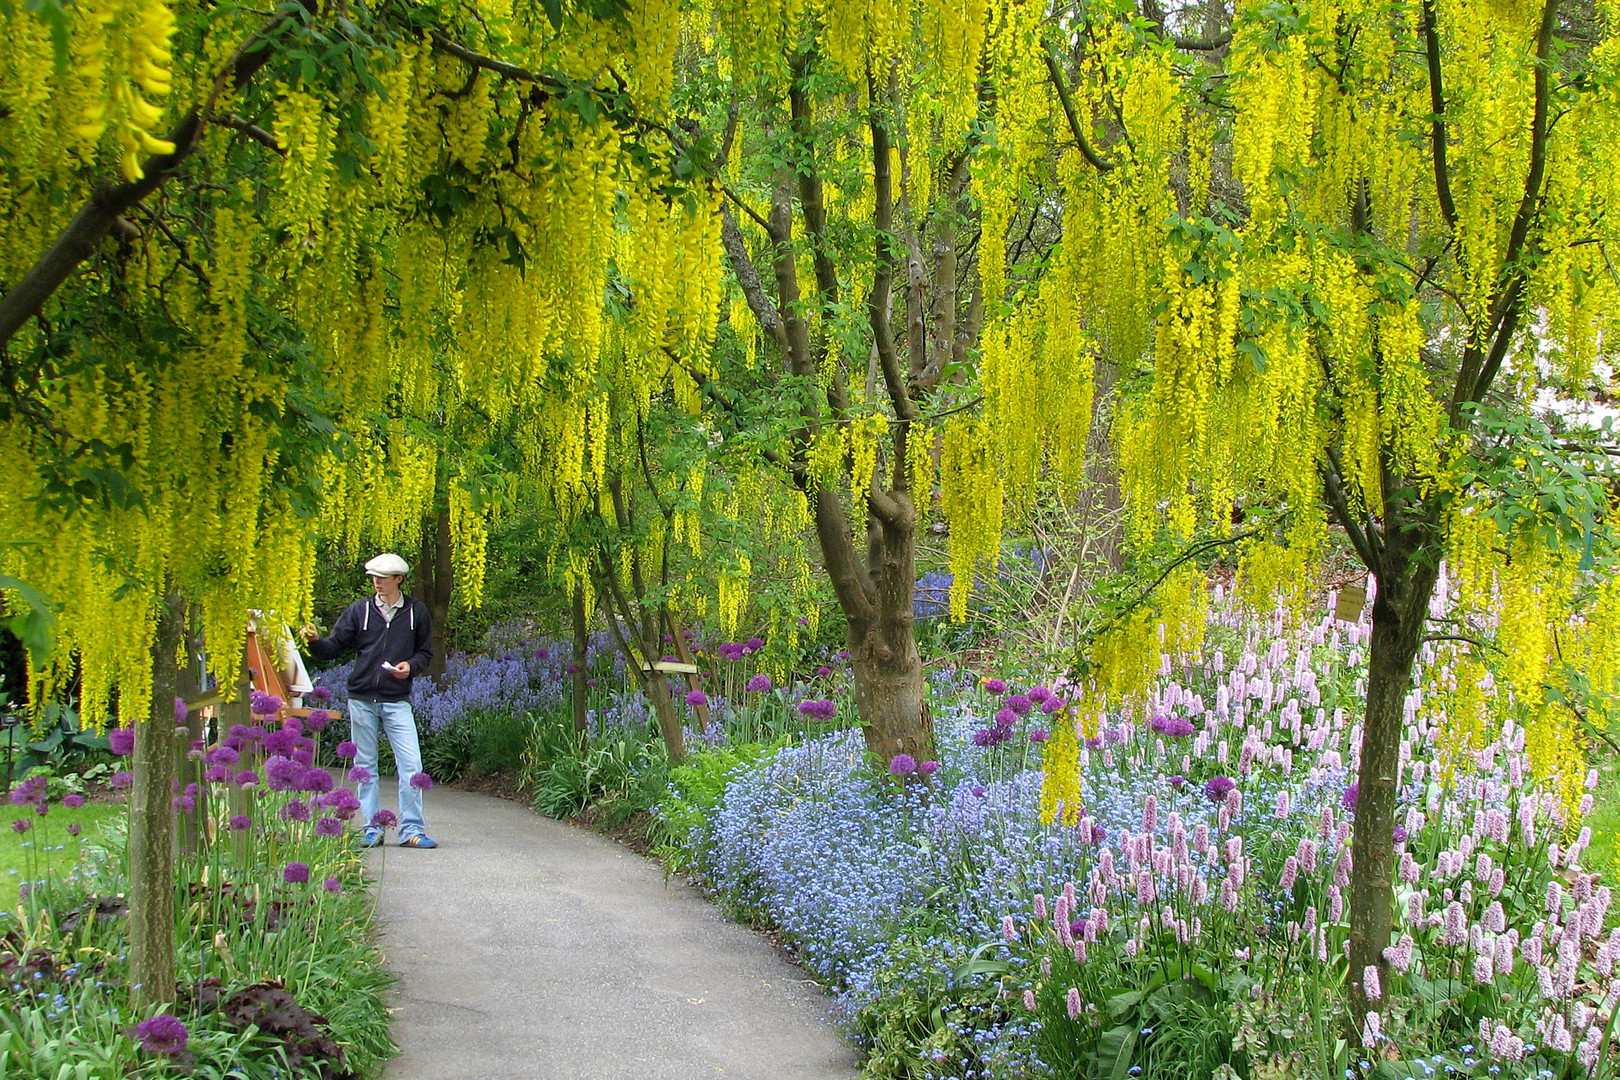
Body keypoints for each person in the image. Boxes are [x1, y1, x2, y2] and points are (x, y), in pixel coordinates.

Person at [300, 553, 438, 849]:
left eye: (383, 577)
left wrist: (410, 668)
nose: (377, 583)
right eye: (373, 577)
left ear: (399, 579)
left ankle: (412, 830)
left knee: (412, 765)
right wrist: (313, 641)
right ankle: (371, 828)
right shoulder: (360, 610)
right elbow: (333, 647)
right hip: (361, 698)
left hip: (396, 700)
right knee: (365, 766)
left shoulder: (417, 612)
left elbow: (425, 653)